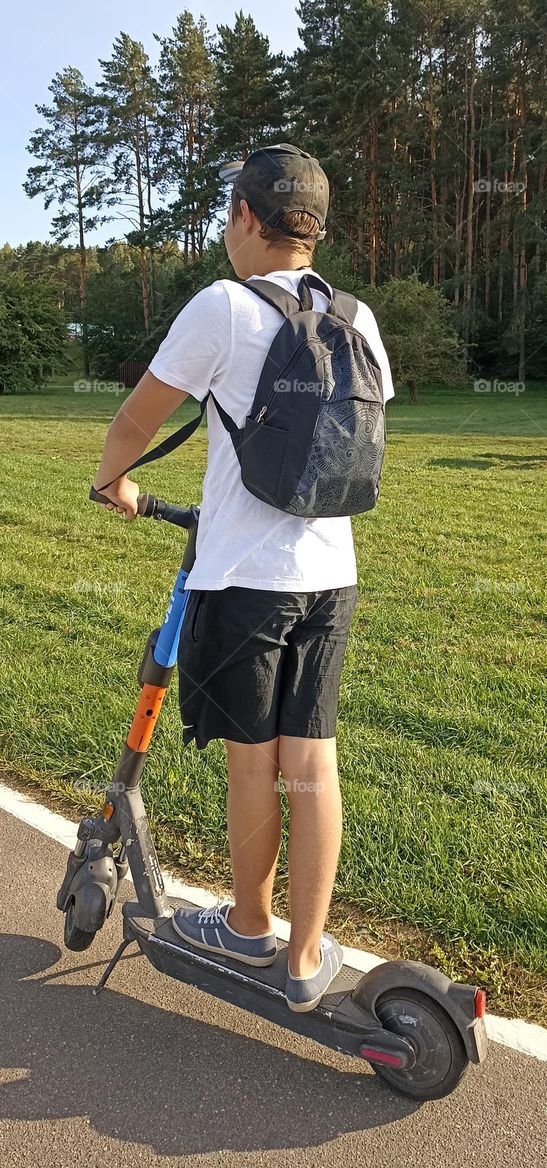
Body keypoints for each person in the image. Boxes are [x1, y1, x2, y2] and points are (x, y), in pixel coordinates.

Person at [92, 143, 394, 1012]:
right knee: (313, 766)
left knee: (253, 768)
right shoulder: (359, 317)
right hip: (330, 574)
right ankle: (305, 961)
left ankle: (250, 927)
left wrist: (116, 482)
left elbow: (136, 416)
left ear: (246, 220)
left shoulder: (223, 305)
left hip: (241, 579)